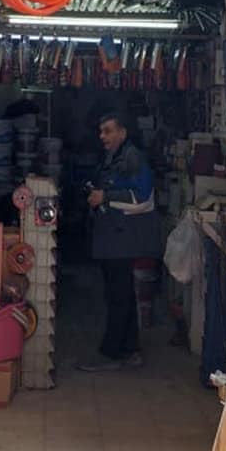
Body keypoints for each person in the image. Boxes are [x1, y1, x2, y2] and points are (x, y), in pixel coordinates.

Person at [78, 111, 162, 372]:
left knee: (118, 296)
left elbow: (143, 198)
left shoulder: (132, 157)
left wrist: (105, 197)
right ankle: (130, 349)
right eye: (101, 131)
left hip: (123, 239)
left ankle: (112, 352)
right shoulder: (113, 157)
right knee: (120, 294)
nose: (102, 136)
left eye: (108, 131)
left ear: (123, 132)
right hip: (113, 237)